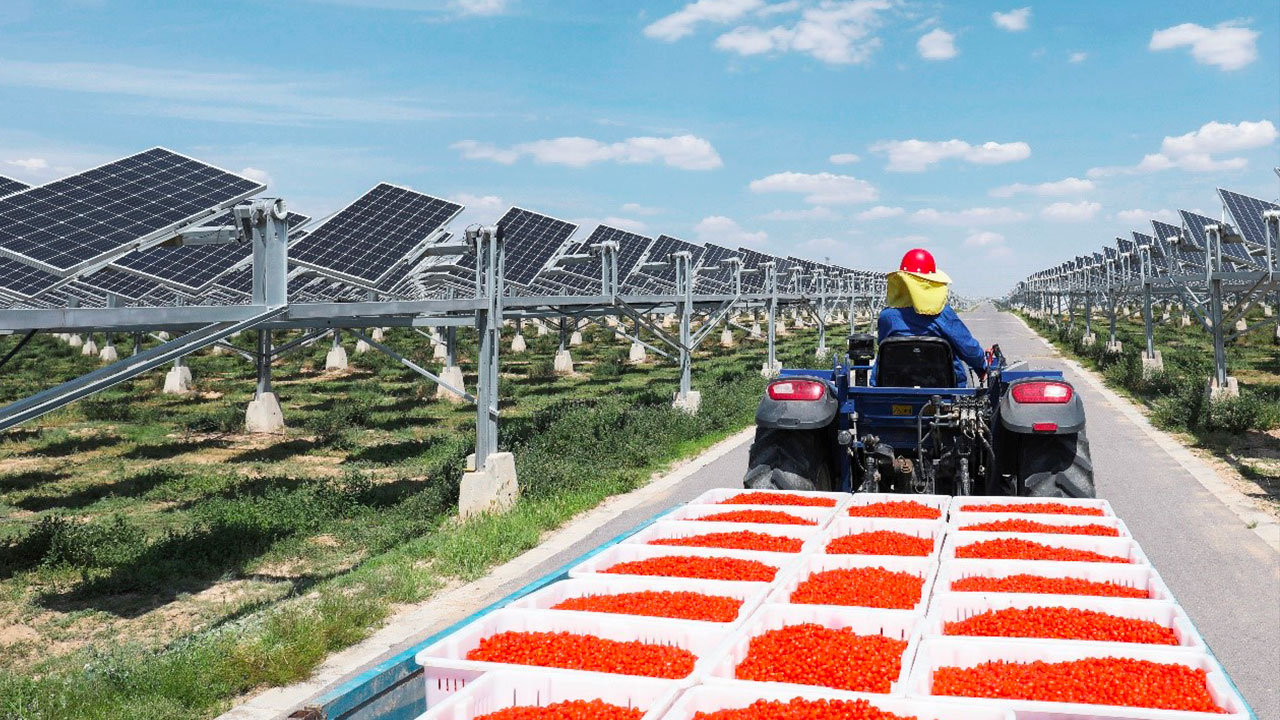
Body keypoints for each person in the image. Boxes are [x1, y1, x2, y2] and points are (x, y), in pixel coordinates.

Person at [875, 248, 988, 387]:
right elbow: (968, 348)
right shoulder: (943, 314)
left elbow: (882, 345)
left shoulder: (887, 316)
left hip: (892, 386)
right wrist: (982, 365)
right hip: (943, 389)